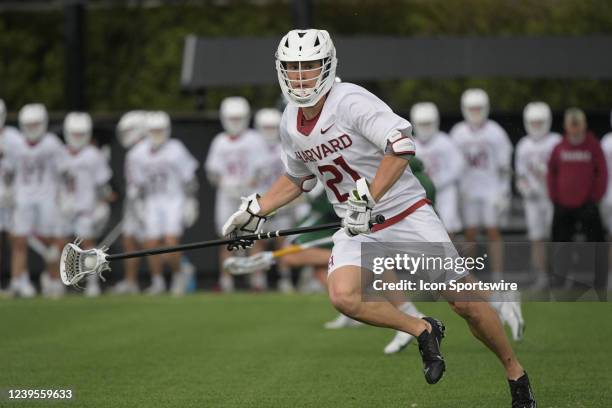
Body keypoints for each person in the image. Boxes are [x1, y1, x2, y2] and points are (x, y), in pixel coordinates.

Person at [222, 29, 536, 407]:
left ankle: (515, 373)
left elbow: (401, 146)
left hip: (406, 212)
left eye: (308, 66)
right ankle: (422, 329)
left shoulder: (349, 100)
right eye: (292, 67)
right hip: (356, 224)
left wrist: (369, 196)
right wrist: (257, 209)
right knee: (343, 297)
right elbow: (297, 178)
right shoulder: (290, 120)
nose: (301, 76)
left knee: (464, 301)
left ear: (327, 66)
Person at [205, 97, 269, 292]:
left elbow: (263, 169)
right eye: (231, 118)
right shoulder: (220, 141)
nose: (235, 122)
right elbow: (212, 172)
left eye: (238, 118)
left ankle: (257, 278)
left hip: (249, 194)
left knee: (254, 235)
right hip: (227, 194)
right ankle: (226, 279)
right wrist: (223, 184)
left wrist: (250, 184)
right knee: (226, 236)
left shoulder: (254, 139)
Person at [131, 111, 198, 295]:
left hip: (174, 199)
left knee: (171, 241)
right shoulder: (138, 153)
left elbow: (189, 179)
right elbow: (136, 184)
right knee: (151, 242)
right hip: (152, 200)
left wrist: (191, 201)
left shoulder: (176, 149)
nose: (157, 134)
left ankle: (178, 276)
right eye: (153, 130)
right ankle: (158, 281)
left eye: (160, 130)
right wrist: (138, 204)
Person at [450, 89, 513, 283]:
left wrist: (504, 192)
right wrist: (458, 191)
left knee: (493, 232)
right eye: (472, 109)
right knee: (470, 233)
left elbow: (505, 166)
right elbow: (453, 166)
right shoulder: (458, 133)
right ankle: (470, 277)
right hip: (468, 190)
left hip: (491, 189)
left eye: (479, 108)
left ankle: (498, 276)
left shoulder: (495, 131)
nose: (476, 112)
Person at [6, 103, 66, 298]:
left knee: (51, 241)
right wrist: (9, 190)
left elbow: (64, 172)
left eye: (35, 124)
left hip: (46, 196)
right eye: (28, 125)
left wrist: (65, 195)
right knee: (19, 240)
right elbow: (9, 170)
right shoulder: (15, 144)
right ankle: (18, 281)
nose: (32, 129)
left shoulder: (52, 143)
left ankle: (54, 280)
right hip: (23, 196)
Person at [547, 108, 607, 294]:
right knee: (560, 244)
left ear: (584, 125)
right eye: (571, 125)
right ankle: (558, 281)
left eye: (577, 124)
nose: (574, 129)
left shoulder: (593, 146)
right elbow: (551, 173)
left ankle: (600, 282)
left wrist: (595, 198)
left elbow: (602, 173)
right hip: (563, 205)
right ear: (566, 126)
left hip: (587, 204)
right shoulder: (560, 147)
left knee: (596, 242)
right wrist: (555, 198)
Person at [57, 112, 113, 297]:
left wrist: (101, 203)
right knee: (60, 245)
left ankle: (93, 282)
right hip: (64, 207)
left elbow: (105, 185)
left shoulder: (93, 155)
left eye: (81, 134)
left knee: (88, 245)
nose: (78, 138)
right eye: (75, 134)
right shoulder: (60, 154)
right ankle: (58, 281)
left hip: (86, 207)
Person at [515, 102, 561, 290]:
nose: (536, 126)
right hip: (533, 199)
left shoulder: (556, 142)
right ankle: (542, 275)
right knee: (536, 237)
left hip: (553, 197)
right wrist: (525, 188)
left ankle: (558, 273)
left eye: (539, 122)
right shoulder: (524, 145)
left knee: (554, 235)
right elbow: (520, 173)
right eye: (532, 122)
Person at [411, 102, 463, 238]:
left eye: (428, 124)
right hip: (420, 193)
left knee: (448, 227)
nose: (425, 128)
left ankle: (450, 258)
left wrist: (439, 181)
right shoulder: (411, 144)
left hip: (444, 191)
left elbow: (457, 167)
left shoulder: (445, 141)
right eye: (422, 124)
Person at [111, 110, 148, 295]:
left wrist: (140, 206)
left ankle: (178, 271)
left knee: (151, 242)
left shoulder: (142, 151)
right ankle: (130, 281)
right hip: (134, 203)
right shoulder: (135, 151)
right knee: (129, 241)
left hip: (145, 203)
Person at [0, 99, 22, 295]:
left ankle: (18, 280)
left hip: (10, 196)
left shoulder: (14, 139)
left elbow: (23, 167)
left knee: (16, 239)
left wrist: (13, 190)